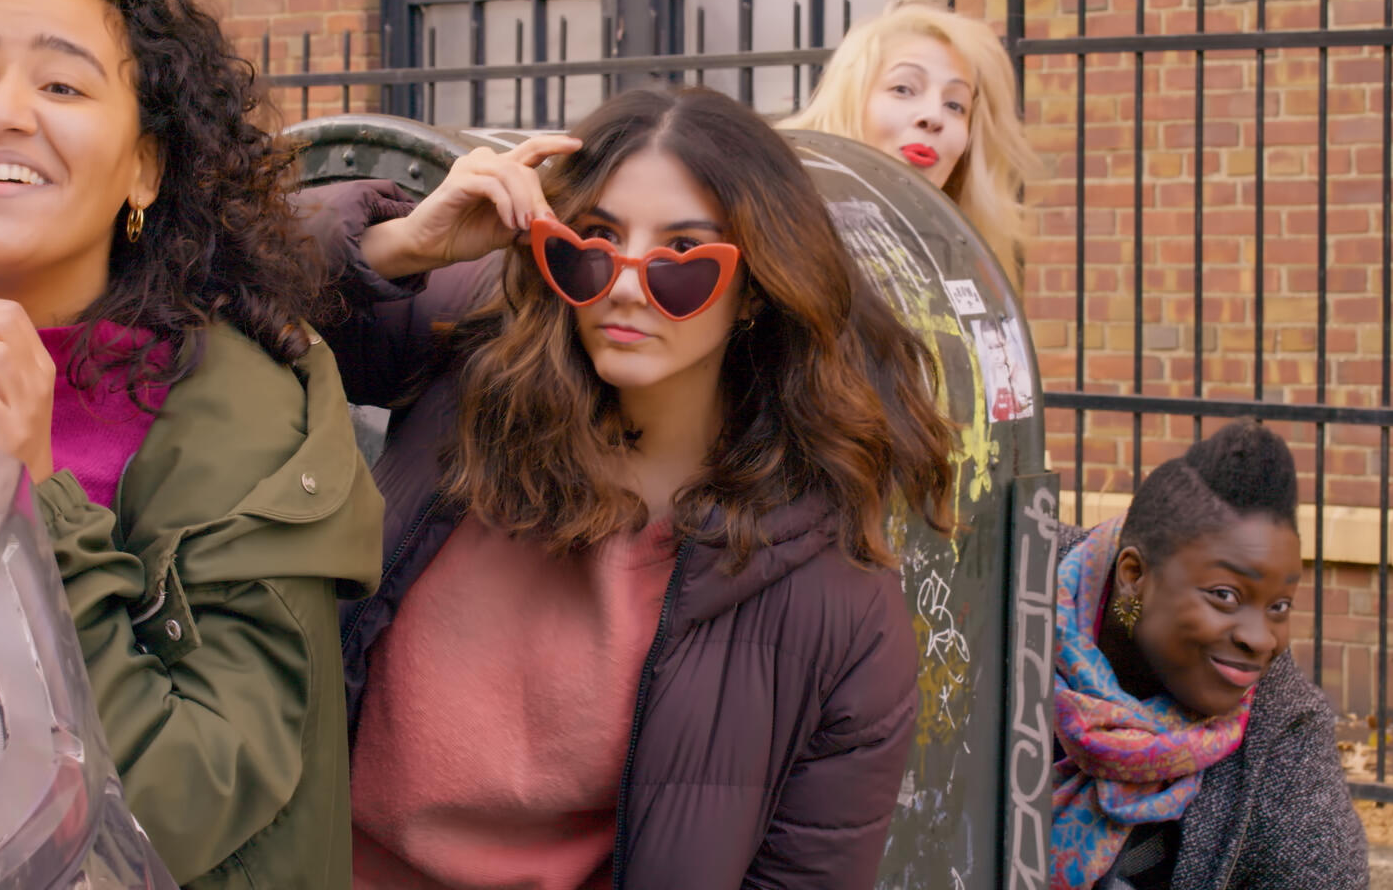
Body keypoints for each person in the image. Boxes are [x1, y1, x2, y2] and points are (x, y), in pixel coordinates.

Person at [0, 0, 382, 890]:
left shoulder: (246, 417)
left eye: (63, 85)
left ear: (144, 171)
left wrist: (36, 494)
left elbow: (182, 803)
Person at [300, 86, 960, 889]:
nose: (624, 285)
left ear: (756, 287)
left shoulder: (832, 600)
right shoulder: (475, 364)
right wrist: (403, 243)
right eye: (596, 243)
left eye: (683, 258)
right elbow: (193, 305)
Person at [1050, 420, 1368, 890]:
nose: (1261, 639)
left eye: (1278, 605)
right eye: (1224, 594)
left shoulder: (1281, 733)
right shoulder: (1008, 580)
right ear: (1134, 575)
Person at [779, 0, 1034, 288]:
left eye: (955, 105)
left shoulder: (969, 270)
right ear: (849, 100)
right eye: (903, 88)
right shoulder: (775, 230)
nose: (933, 115)